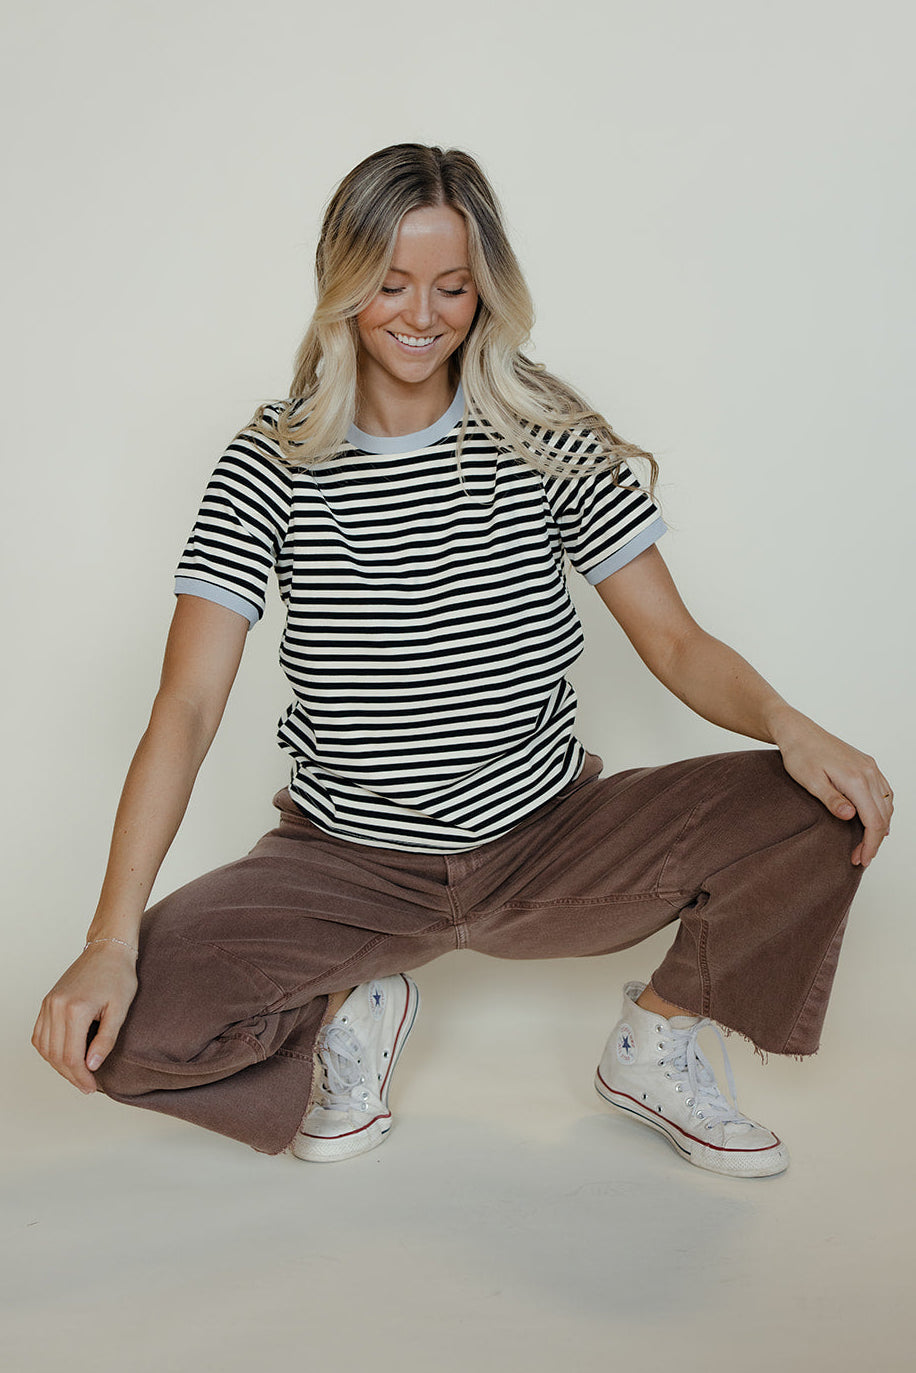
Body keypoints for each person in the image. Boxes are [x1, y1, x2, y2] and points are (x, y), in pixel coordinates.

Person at [32, 143, 892, 1178]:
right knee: (115, 1034)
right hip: (345, 863)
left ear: (485, 289)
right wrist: (110, 941)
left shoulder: (542, 432)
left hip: (547, 842)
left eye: (451, 285)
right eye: (390, 284)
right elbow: (187, 705)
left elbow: (672, 640)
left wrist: (792, 726)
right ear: (341, 282)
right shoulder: (270, 459)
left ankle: (656, 1041)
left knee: (823, 805)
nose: (421, 314)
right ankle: (353, 1006)